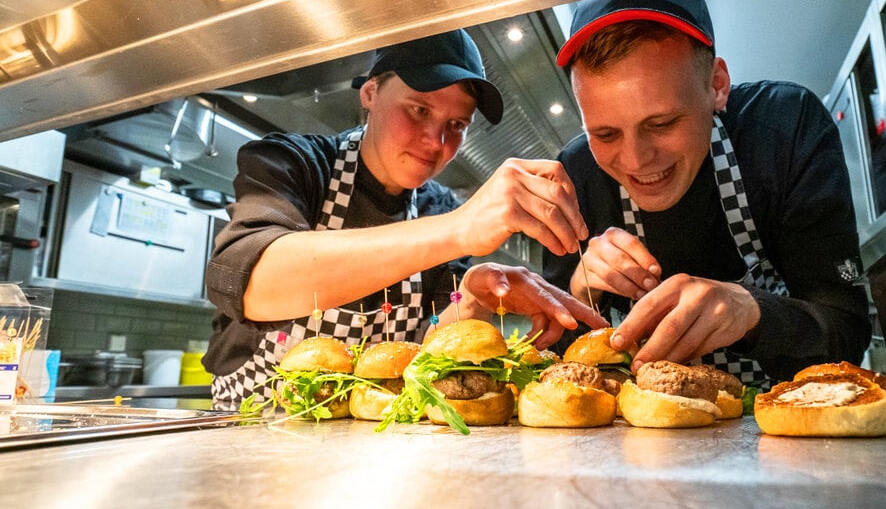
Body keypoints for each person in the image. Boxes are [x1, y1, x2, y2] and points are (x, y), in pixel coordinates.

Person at [203, 29, 608, 409]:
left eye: (456, 125)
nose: (436, 141)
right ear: (370, 92)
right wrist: (457, 230)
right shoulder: (297, 164)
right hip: (258, 424)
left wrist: (471, 296)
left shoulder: (439, 207)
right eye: (418, 109)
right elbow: (252, 282)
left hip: (380, 438)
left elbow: (432, 337)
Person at [544, 0, 870, 388]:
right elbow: (552, 362)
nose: (635, 160)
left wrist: (753, 313)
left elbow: (847, 332)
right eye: (606, 134)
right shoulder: (576, 174)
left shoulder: (785, 128)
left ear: (717, 85)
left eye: (661, 124)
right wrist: (580, 292)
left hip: (784, 427)